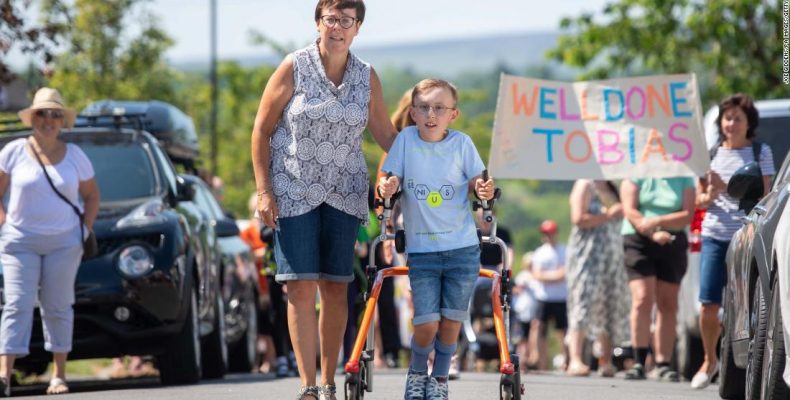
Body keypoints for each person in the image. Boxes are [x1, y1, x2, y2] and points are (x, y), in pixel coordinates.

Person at [249, 1, 397, 398]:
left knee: (336, 287)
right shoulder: (293, 66)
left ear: (358, 28)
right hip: (292, 190)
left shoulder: (367, 76)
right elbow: (261, 130)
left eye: (346, 21)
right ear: (318, 23)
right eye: (330, 19)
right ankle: (308, 385)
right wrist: (264, 189)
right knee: (299, 287)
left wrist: (433, 158)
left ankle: (330, 382)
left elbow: (386, 135)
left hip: (344, 192)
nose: (337, 27)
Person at [378, 78, 494, 400]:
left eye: (439, 108)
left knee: (451, 323)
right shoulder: (405, 141)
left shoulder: (462, 144)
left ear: (452, 115)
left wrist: (482, 188)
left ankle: (439, 379)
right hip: (423, 250)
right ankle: (417, 372)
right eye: (425, 107)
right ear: (413, 112)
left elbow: (477, 181)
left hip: (462, 249)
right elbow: (392, 179)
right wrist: (387, 187)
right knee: (426, 323)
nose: (431, 114)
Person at [0, 87, 100, 396]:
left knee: (58, 305)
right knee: (16, 303)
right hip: (20, 242)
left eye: (55, 115)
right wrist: (4, 224)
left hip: (63, 243)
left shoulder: (75, 156)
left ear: (62, 121)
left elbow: (92, 196)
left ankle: (58, 374)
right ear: (32, 118)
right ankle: (4, 374)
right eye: (42, 113)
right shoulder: (13, 152)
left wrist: (83, 231)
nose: (48, 120)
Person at [691, 94, 774, 389]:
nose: (731, 124)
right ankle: (709, 359)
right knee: (708, 303)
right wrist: (709, 195)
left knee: (746, 304)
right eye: (727, 118)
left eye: (738, 118)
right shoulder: (711, 154)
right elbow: (699, 200)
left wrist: (726, 187)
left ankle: (744, 362)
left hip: (746, 237)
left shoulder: (760, 152)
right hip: (715, 235)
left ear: (748, 123)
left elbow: (765, 197)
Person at [621, 177, 695, 381]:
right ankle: (639, 361)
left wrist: (658, 222)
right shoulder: (636, 173)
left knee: (668, 302)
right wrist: (653, 233)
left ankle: (663, 363)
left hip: (672, 240)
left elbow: (687, 215)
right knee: (642, 298)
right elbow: (630, 210)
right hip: (639, 239)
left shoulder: (683, 177)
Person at [565, 180, 630, 377]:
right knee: (583, 302)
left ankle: (606, 360)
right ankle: (575, 359)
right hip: (588, 255)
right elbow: (578, 218)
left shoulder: (612, 186)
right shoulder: (585, 185)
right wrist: (608, 215)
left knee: (609, 305)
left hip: (613, 255)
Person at [526, 220, 568, 371]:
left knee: (562, 331)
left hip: (560, 297)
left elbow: (564, 273)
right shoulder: (540, 252)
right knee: (538, 327)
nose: (548, 236)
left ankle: (565, 360)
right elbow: (537, 274)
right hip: (543, 297)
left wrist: (548, 276)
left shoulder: (564, 250)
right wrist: (555, 275)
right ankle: (537, 359)